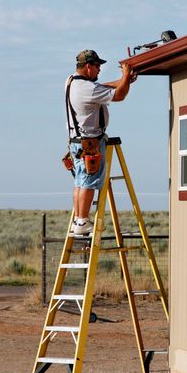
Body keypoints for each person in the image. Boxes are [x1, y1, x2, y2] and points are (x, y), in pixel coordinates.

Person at [65, 49, 136, 235]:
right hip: (90, 142)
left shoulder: (73, 82)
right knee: (89, 181)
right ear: (88, 66)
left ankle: (78, 220)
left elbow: (101, 87)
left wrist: (123, 81)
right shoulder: (88, 88)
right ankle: (82, 222)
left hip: (77, 141)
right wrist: (126, 76)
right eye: (97, 66)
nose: (99, 70)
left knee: (80, 181)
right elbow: (119, 96)